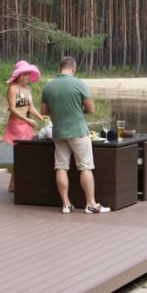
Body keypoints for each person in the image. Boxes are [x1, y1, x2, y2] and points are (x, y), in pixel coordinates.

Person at [41, 56, 109, 214]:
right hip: (78, 131)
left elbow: (44, 111)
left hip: (58, 132)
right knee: (85, 166)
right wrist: (77, 109)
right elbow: (91, 109)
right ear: (73, 69)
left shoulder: (48, 86)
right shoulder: (78, 84)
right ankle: (91, 204)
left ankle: (66, 204)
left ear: (60, 68)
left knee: (61, 167)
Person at [3, 60, 44, 192]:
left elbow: (30, 107)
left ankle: (17, 184)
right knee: (20, 155)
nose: (28, 77)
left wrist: (40, 117)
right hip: (17, 125)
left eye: (28, 74)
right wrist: (27, 120)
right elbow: (12, 109)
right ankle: (14, 185)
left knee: (26, 155)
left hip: (26, 125)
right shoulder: (13, 88)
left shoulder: (27, 89)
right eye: (25, 74)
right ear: (19, 75)